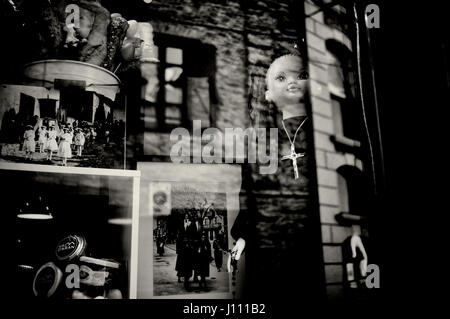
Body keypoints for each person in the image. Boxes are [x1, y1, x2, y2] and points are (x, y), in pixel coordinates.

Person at [228, 54, 310, 288]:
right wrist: (244, 235)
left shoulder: (316, 131)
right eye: (281, 79)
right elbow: (252, 195)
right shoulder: (260, 143)